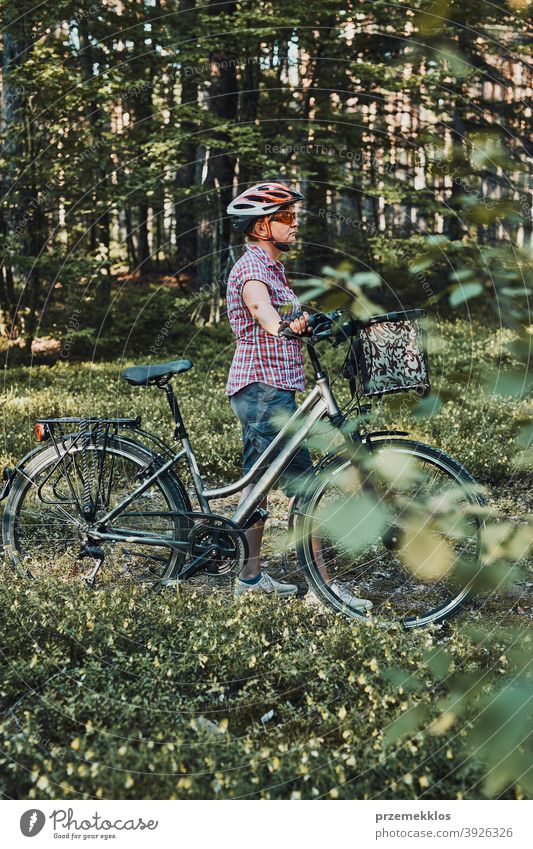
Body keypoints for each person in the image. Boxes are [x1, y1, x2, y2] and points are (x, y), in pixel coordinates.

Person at [225, 181, 372, 611]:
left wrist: (315, 321)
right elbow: (258, 306)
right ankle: (325, 592)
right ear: (261, 226)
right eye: (286, 217)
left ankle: (249, 578)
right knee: (305, 487)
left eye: (293, 216)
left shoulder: (274, 269)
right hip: (263, 391)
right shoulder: (252, 268)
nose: (295, 224)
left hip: (270, 388)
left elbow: (285, 309)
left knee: (257, 485)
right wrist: (278, 323)